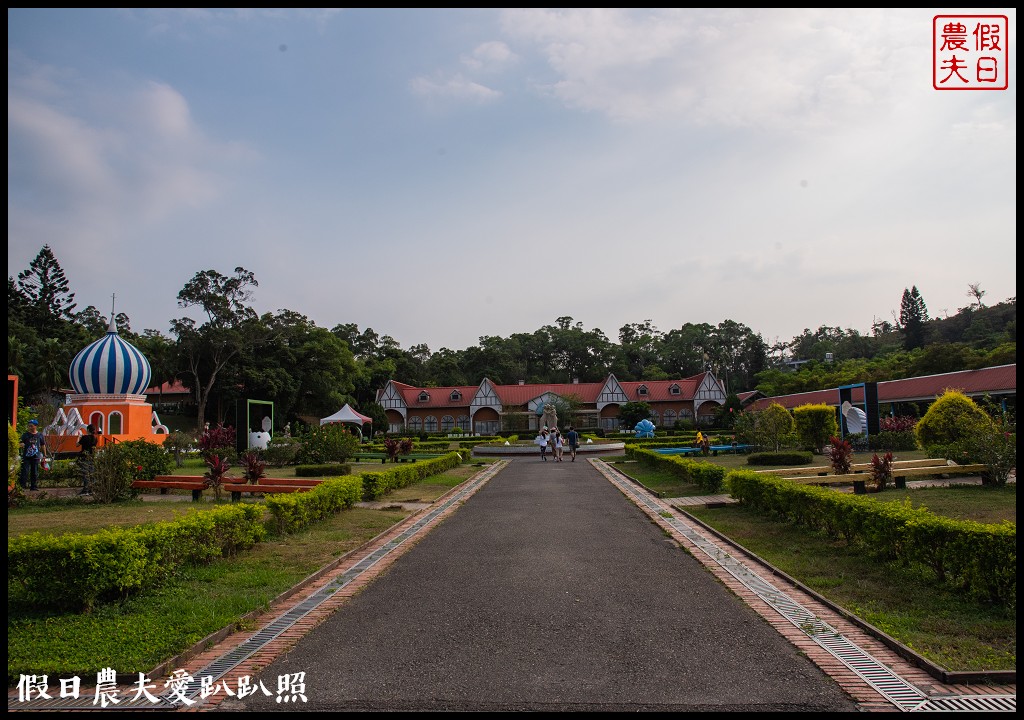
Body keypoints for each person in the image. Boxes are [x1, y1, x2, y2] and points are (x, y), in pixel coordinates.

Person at [19, 419, 48, 492]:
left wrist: (45, 454)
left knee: (34, 472)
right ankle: (22, 486)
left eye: (31, 426)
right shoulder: (25, 435)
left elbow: (43, 445)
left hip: (35, 456)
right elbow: (19, 443)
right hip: (26, 456)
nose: (30, 427)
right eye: (29, 426)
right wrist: (21, 445)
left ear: (35, 426)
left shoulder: (39, 435)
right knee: (25, 471)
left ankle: (33, 486)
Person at [76, 424, 99, 495]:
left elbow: (77, 444)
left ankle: (85, 489)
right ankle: (92, 489)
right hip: (92, 457)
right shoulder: (95, 438)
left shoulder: (85, 437)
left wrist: (79, 437)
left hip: (84, 457)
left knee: (85, 473)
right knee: (92, 473)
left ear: (88, 430)